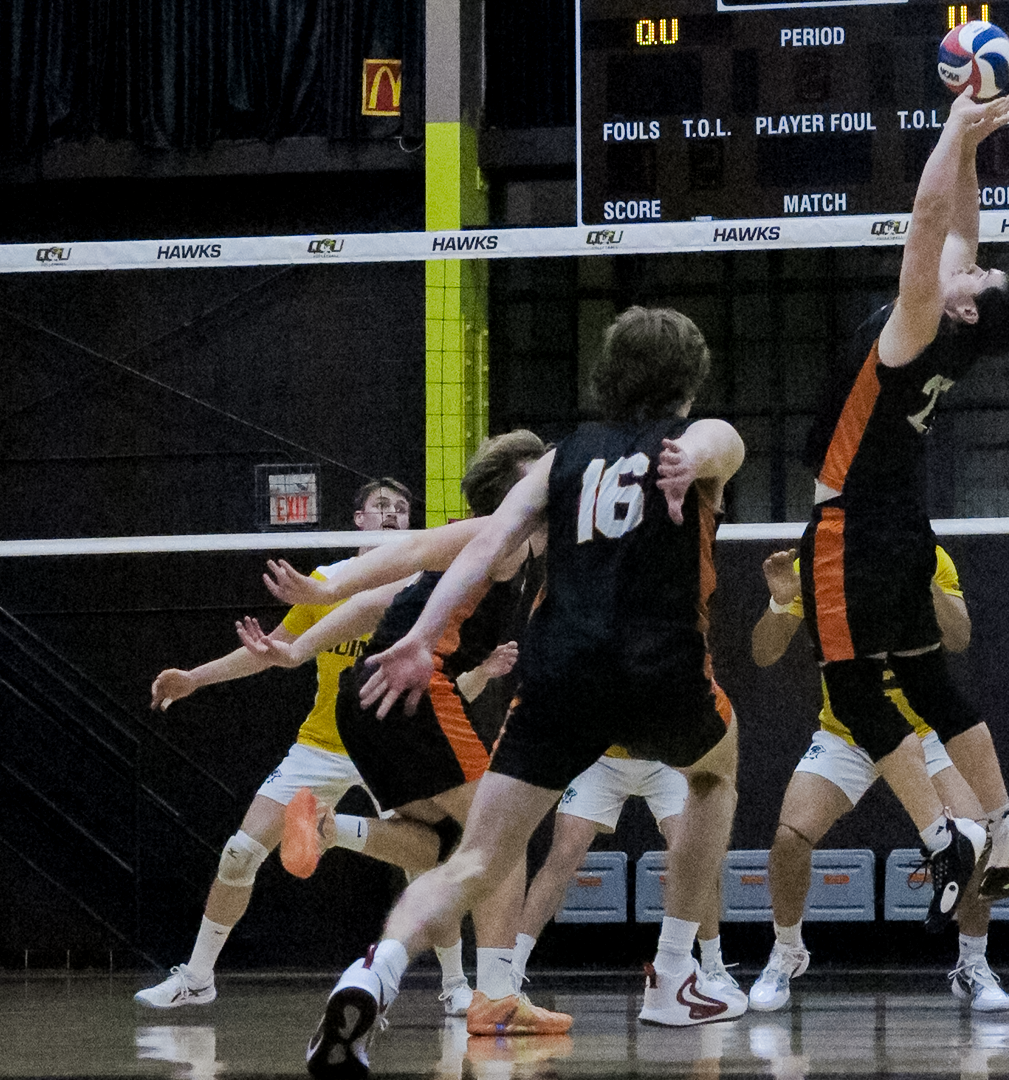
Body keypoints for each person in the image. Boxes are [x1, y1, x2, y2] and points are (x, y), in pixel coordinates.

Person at [302, 305, 747, 1079]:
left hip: (560, 673)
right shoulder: (699, 437)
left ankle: (372, 974)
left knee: (475, 860)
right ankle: (675, 969)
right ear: (688, 381)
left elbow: (482, 551)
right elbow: (717, 442)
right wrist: (690, 462)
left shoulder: (561, 459)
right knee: (716, 771)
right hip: (659, 667)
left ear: (609, 375)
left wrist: (416, 637)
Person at [798, 88, 1009, 927]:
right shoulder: (965, 330)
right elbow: (963, 224)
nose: (965, 263)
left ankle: (946, 834)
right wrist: (974, 140)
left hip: (850, 524)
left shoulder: (918, 324)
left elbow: (930, 216)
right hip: (902, 522)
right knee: (929, 680)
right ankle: (1006, 820)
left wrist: (945, 126)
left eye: (975, 275)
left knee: (854, 686)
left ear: (966, 304)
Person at [241, 429, 568, 1038]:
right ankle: (497, 997)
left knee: (442, 846)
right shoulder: (498, 535)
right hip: (415, 690)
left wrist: (297, 648)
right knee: (502, 837)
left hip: (363, 701)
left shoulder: (511, 555)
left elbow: (382, 603)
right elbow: (412, 549)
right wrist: (328, 587)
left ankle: (329, 827)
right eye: (542, 471)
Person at [134, 477, 458, 1012]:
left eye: (402, 509)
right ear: (357, 520)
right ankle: (197, 978)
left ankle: (456, 987)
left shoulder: (426, 587)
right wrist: (195, 678)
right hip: (324, 743)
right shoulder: (323, 583)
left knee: (428, 863)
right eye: (382, 507)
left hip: (394, 744)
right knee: (239, 854)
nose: (394, 516)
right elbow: (272, 650)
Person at [749, 543, 1009, 1012]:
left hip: (923, 735)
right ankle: (786, 951)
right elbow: (764, 654)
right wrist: (780, 601)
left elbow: (960, 635)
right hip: (846, 735)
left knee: (977, 840)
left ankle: (973, 964)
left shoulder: (928, 555)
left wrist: (923, 579)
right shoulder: (821, 563)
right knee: (789, 838)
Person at [511, 748, 731, 996]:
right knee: (564, 853)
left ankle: (713, 966)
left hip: (667, 759)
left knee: (694, 856)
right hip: (601, 759)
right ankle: (510, 970)